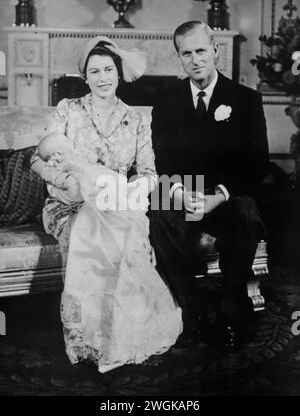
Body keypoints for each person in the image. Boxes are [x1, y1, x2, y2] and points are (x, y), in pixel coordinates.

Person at [31, 36, 182, 373]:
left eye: (108, 70)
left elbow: (148, 172)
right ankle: (88, 338)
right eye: (94, 71)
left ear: (118, 73)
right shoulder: (68, 109)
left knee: (127, 237)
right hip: (69, 204)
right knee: (88, 237)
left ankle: (120, 333)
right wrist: (66, 182)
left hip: (116, 202)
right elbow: (37, 160)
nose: (102, 78)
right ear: (85, 76)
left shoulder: (137, 119)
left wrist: (128, 192)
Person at [149, 21, 269, 347]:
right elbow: (159, 160)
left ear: (215, 50)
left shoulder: (245, 100)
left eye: (201, 50)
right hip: (183, 193)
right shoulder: (167, 100)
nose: (195, 59)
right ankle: (193, 309)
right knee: (158, 212)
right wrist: (177, 192)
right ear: (179, 58)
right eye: (186, 53)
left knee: (247, 212)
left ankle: (231, 307)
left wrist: (219, 195)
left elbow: (257, 163)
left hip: (226, 198)